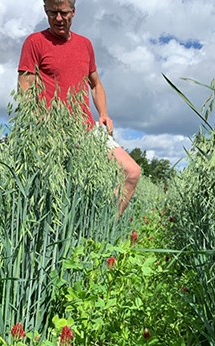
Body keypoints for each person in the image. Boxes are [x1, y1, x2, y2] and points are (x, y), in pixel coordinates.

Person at [17, 0, 141, 217]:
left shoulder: (85, 45)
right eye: (52, 12)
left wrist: (103, 114)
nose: (58, 19)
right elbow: (26, 90)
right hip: (52, 131)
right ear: (45, 11)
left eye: (63, 13)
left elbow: (96, 84)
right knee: (63, 194)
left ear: (73, 12)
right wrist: (42, 126)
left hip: (86, 130)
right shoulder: (34, 42)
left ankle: (104, 229)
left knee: (131, 172)